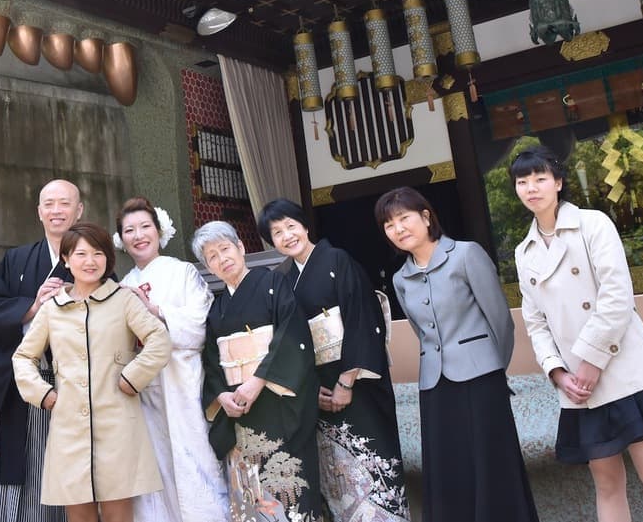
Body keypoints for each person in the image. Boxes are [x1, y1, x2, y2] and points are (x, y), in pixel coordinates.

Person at [511, 146, 643, 522]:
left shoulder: (593, 224)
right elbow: (535, 322)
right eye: (522, 181)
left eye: (540, 178)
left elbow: (616, 297)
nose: (532, 188)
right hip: (578, 387)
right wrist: (557, 373)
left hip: (626, 372)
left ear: (559, 183)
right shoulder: (523, 252)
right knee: (607, 483)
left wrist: (591, 361)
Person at [380, 188, 539, 522]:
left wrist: (493, 370)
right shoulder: (400, 279)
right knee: (447, 469)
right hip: (434, 386)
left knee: (492, 463)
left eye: (404, 218)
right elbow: (421, 332)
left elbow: (500, 320)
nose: (398, 228)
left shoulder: (466, 254)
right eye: (389, 224)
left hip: (482, 380)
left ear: (426, 217)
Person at [258, 198, 409, 522]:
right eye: (277, 233)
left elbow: (362, 320)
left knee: (372, 459)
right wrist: (309, 389)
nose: (287, 236)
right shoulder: (282, 280)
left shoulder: (337, 260)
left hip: (356, 380)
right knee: (335, 474)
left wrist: (345, 382)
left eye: (290, 226)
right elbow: (285, 341)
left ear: (304, 225)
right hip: (316, 387)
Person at [13, 221, 172, 522]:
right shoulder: (52, 308)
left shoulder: (124, 299)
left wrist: (131, 378)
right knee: (79, 515)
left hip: (118, 428)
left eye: (98, 254)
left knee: (118, 515)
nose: (90, 262)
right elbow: (23, 357)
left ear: (108, 259)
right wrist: (45, 395)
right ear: (66, 260)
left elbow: (159, 339)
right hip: (68, 428)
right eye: (81, 254)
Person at [193, 220, 324, 522]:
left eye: (225, 249)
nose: (221, 258)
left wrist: (257, 381)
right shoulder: (216, 310)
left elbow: (292, 335)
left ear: (241, 248)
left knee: (289, 487)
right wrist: (222, 397)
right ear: (208, 267)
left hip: (278, 403)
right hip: (239, 411)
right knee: (249, 494)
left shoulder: (273, 284)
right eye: (212, 256)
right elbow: (213, 364)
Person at [115, 198, 228, 522]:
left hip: (182, 382)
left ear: (159, 230)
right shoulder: (123, 286)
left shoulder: (183, 271)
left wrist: (157, 312)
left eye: (145, 227)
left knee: (194, 459)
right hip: (144, 390)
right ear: (121, 239)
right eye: (129, 230)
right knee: (155, 466)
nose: (138, 236)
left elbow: (200, 326)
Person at [0, 178, 82, 522]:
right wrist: (33, 304)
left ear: (79, 210)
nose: (57, 211)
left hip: (79, 385)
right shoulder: (17, 259)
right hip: (31, 384)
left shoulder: (92, 258)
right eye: (49, 204)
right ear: (39, 212)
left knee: (74, 469)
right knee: (28, 467)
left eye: (65, 203)